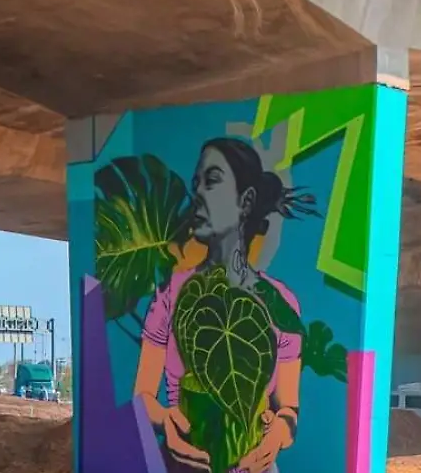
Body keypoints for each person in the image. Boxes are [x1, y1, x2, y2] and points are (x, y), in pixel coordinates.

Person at [134, 137, 316, 473]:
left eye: (212, 181)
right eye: (196, 184)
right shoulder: (171, 295)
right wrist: (164, 422)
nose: (198, 194)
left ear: (246, 201)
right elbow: (142, 396)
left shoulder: (280, 304)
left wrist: (276, 435)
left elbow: (289, 407)